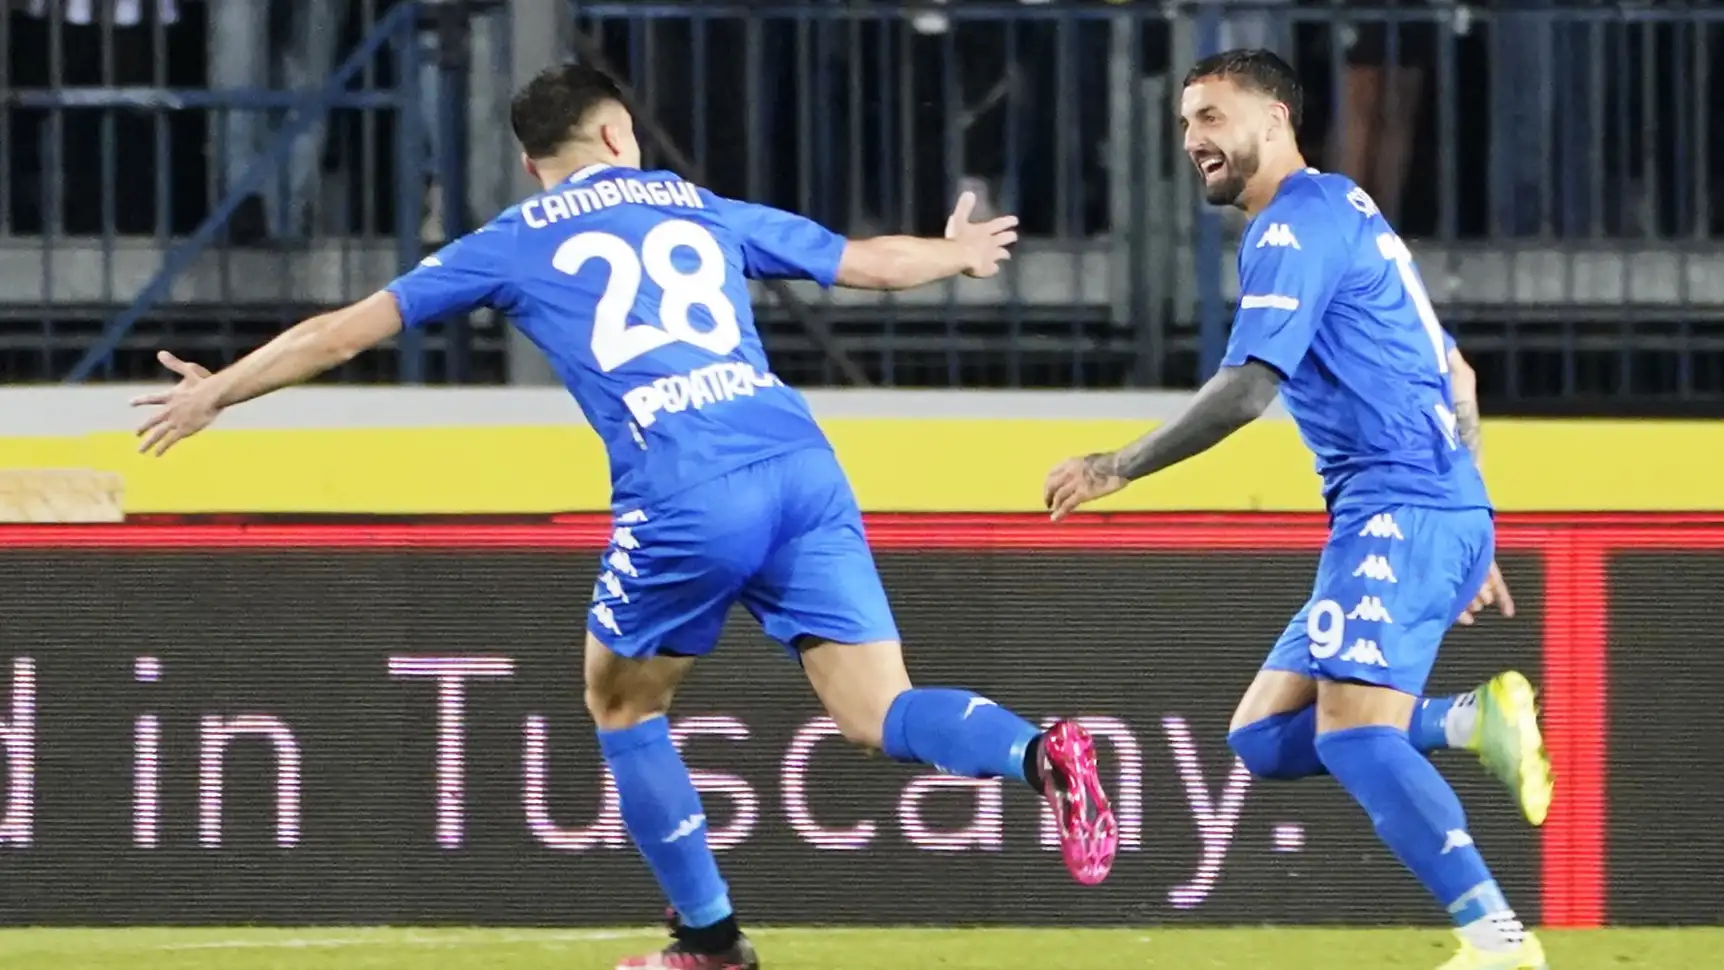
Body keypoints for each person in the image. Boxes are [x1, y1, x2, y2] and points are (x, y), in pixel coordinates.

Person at [130, 62, 1119, 970]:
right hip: (801, 466)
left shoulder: (512, 239)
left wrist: (219, 391)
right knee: (876, 712)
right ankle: (1040, 753)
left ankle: (711, 942)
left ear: (533, 163)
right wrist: (954, 253)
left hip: (687, 486)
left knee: (622, 703)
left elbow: (343, 335)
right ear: (615, 134)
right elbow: (864, 262)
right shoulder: (695, 204)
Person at [1042, 50, 1553, 970]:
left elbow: (1247, 390)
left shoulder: (1291, 226)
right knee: (1264, 738)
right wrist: (1468, 517)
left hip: (1398, 507)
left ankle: (1498, 941)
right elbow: (1460, 376)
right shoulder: (1346, 205)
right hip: (1423, 506)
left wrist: (1118, 466)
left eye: (1212, 116)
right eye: (1185, 123)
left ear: (1275, 119)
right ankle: (1467, 722)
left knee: (1354, 735)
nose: (1192, 139)